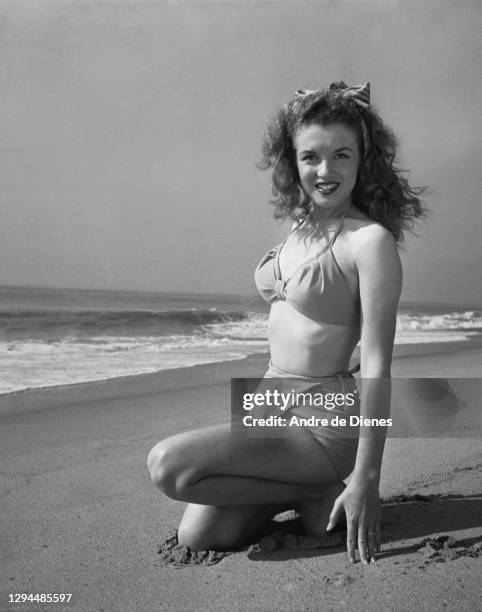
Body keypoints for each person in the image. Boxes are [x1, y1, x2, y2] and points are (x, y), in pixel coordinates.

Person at [147, 81, 426, 564]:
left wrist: (366, 477)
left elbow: (378, 364)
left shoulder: (370, 242)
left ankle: (321, 483)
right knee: (198, 536)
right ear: (291, 161)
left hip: (323, 421)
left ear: (364, 159)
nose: (325, 170)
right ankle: (306, 492)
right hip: (271, 404)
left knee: (169, 466)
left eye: (341, 155)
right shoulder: (299, 229)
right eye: (310, 157)